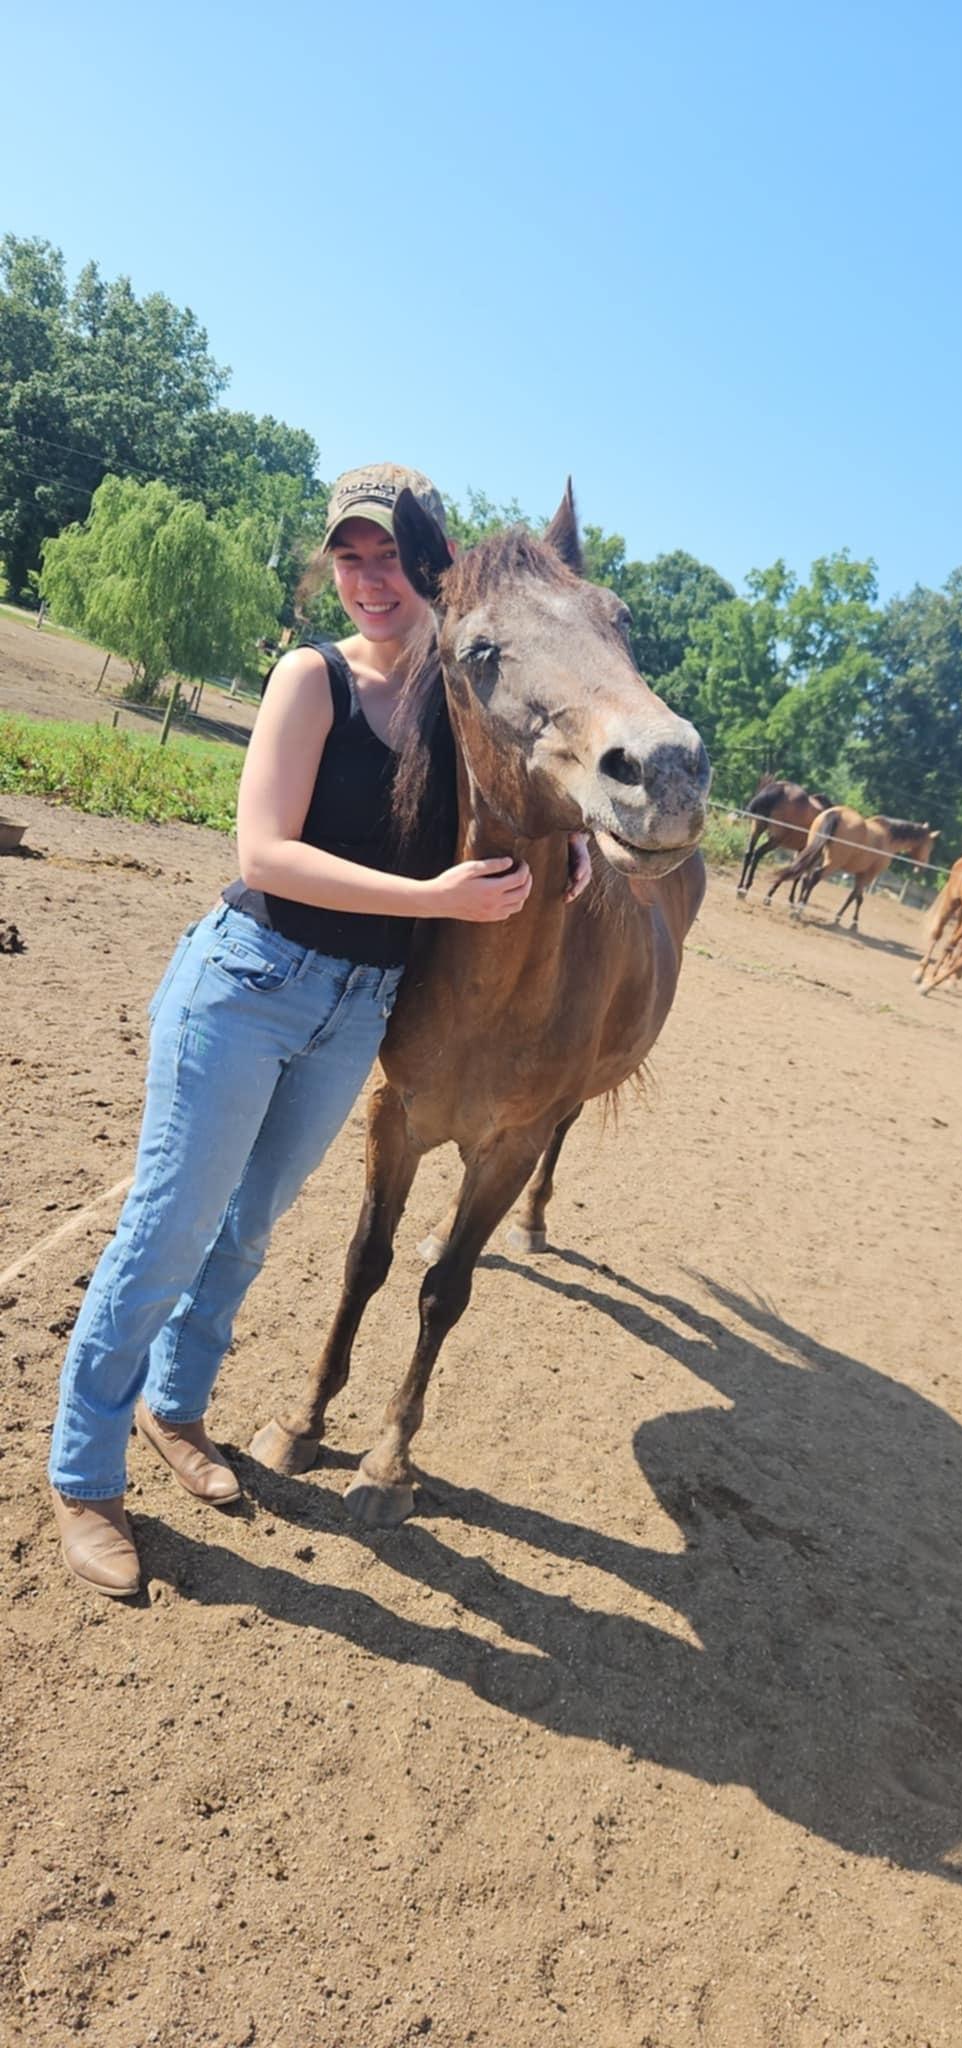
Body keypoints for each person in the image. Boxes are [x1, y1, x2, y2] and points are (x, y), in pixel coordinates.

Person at [49, 461, 590, 1597]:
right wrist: (434, 901)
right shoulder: (314, 678)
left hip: (358, 1009)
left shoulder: (457, 694)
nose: (369, 579)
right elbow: (265, 855)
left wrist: (572, 834)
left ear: (434, 566)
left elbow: (535, 761)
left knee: (247, 1230)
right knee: (166, 1231)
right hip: (251, 982)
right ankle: (83, 1473)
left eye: (391, 556)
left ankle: (174, 1409)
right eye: (349, 557)